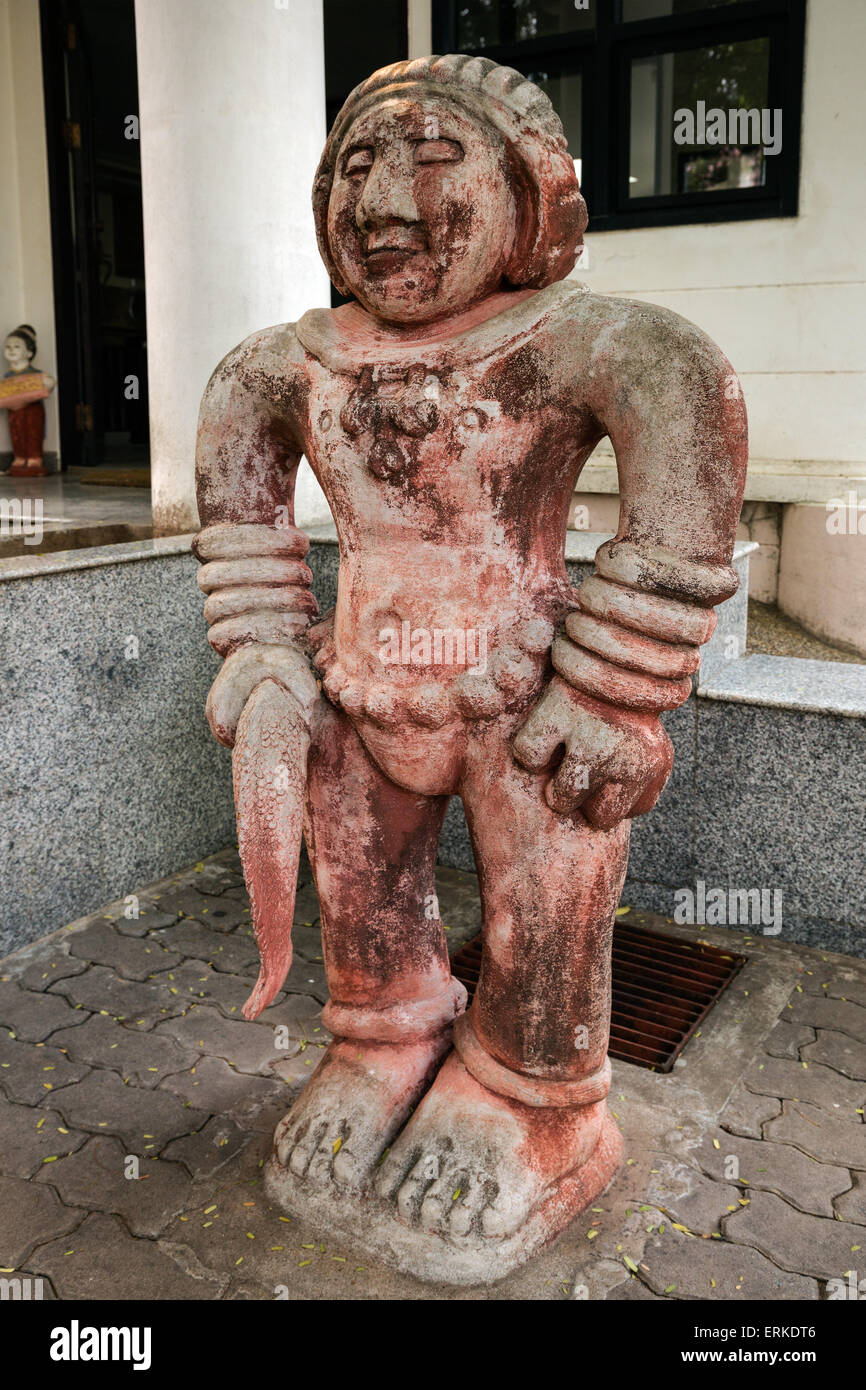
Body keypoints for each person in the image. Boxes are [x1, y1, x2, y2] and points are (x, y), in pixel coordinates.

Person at [193, 54, 747, 1279]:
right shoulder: (280, 365)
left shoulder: (588, 341)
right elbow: (241, 507)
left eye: (434, 161)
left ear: (531, 194)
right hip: (356, 688)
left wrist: (613, 684)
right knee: (363, 896)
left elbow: (683, 440)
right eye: (355, 167)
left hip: (528, 699)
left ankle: (533, 1096)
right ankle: (385, 1039)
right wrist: (265, 648)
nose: (385, 204)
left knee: (546, 899)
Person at [1, 324, 55, 476]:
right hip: (13, 411)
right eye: (8, 346)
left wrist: (48, 383)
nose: (11, 350)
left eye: (17, 346)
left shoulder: (34, 373)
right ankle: (19, 456)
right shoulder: (7, 376)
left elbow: (48, 382)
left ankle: (34, 457)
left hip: (32, 409)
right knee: (16, 432)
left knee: (32, 432)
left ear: (29, 353)